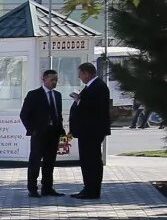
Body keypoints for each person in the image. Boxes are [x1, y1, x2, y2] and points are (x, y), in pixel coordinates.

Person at [68, 59, 113, 199]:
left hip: (92, 131)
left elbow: (95, 108)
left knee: (91, 160)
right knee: (87, 160)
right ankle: (88, 187)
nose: (79, 77)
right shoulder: (91, 86)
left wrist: (79, 100)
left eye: (80, 74)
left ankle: (92, 190)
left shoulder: (99, 86)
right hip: (86, 131)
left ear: (87, 73)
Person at [19, 68, 65, 198]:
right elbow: (24, 114)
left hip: (53, 133)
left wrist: (60, 130)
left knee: (50, 162)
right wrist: (32, 130)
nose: (54, 82)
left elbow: (58, 114)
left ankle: (47, 187)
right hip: (39, 134)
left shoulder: (57, 95)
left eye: (56, 80)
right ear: (44, 79)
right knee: (35, 161)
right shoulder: (34, 95)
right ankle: (32, 188)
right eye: (52, 80)